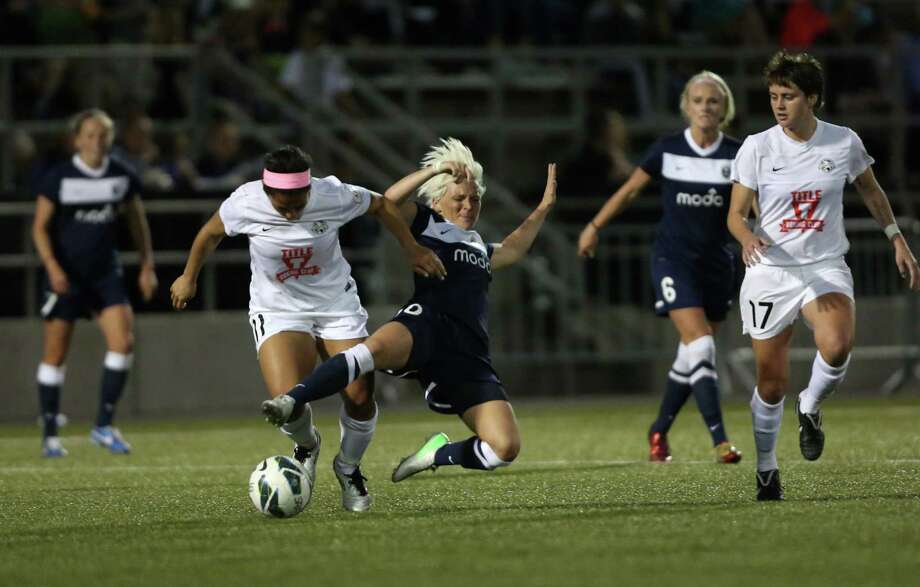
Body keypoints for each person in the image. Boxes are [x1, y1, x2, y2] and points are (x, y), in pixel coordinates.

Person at [261, 138, 556, 484]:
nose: (468, 205)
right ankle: (291, 400)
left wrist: (544, 207)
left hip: (468, 351)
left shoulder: (479, 245)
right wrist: (433, 170)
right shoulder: (428, 222)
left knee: (503, 449)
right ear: (437, 200)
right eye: (459, 198)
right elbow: (388, 201)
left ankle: (434, 454)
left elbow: (514, 248)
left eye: (474, 198)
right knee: (367, 352)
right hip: (426, 323)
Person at [169, 145, 444, 512]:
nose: (293, 211)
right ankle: (307, 445)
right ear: (267, 192)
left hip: (335, 306)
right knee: (287, 399)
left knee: (360, 394)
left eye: (299, 202)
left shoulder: (331, 193)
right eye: (284, 206)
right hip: (279, 309)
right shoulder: (245, 202)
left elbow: (381, 205)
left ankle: (348, 468)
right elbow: (210, 233)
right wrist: (189, 276)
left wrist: (410, 248)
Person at [728, 50, 920, 501]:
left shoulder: (842, 141)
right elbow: (736, 214)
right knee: (770, 382)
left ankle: (810, 405)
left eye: (789, 96)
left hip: (824, 264)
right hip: (771, 271)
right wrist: (745, 238)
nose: (779, 104)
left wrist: (896, 236)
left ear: (812, 98)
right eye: (774, 95)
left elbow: (871, 191)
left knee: (836, 344)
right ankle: (766, 468)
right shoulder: (757, 146)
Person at [577, 71, 744, 465]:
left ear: (725, 109)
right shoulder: (668, 149)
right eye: (699, 100)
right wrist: (595, 226)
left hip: (717, 264)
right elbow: (630, 189)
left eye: (713, 101)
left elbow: (751, 206)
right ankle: (720, 439)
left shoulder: (738, 154)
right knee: (702, 345)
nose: (705, 107)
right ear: (686, 106)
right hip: (673, 260)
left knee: (691, 355)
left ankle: (658, 430)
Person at [32, 108, 158, 458]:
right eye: (89, 134)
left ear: (110, 138)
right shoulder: (59, 178)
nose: (96, 141)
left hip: (106, 275)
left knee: (123, 342)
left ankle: (103, 424)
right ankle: (50, 434)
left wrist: (147, 265)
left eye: (102, 134)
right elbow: (39, 227)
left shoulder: (121, 176)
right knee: (55, 354)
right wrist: (53, 267)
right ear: (77, 139)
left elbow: (137, 222)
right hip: (67, 277)